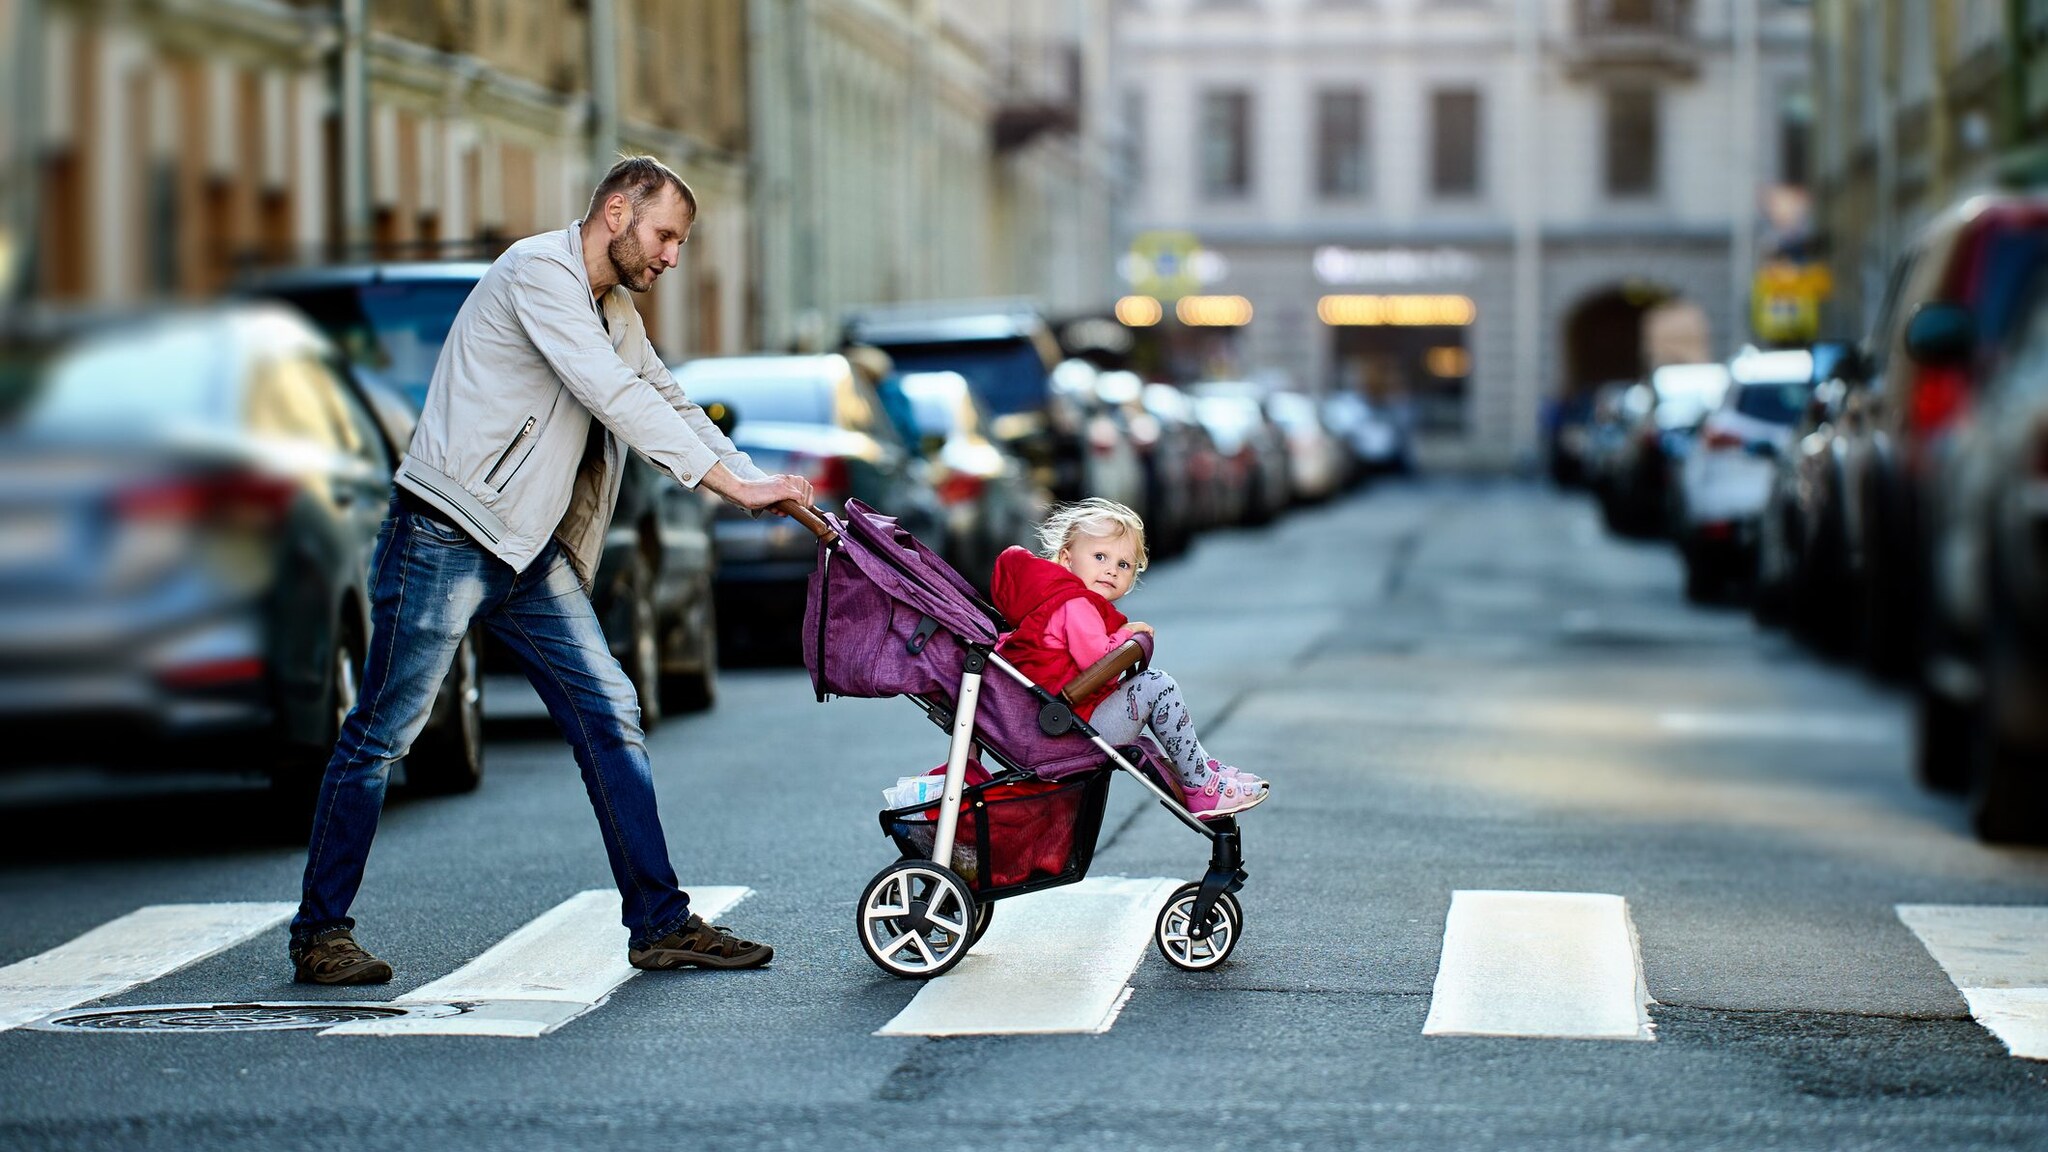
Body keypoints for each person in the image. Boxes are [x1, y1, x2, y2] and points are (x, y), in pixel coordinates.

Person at [288, 156, 814, 985]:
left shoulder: (613, 308)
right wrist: (731, 485)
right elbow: (610, 393)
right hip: (448, 532)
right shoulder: (539, 272)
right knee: (385, 732)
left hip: (528, 550)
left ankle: (660, 923)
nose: (673, 256)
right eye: (666, 235)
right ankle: (320, 932)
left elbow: (667, 399)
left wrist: (753, 484)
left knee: (611, 713)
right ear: (616, 211)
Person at [990, 499, 1270, 819]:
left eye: (1123, 565)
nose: (1111, 569)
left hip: (1062, 720)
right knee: (1156, 685)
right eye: (1100, 557)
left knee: (1149, 702)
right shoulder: (1074, 605)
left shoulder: (1057, 600)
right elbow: (1102, 667)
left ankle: (1201, 768)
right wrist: (1125, 635)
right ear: (1066, 559)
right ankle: (1201, 783)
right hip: (1068, 731)